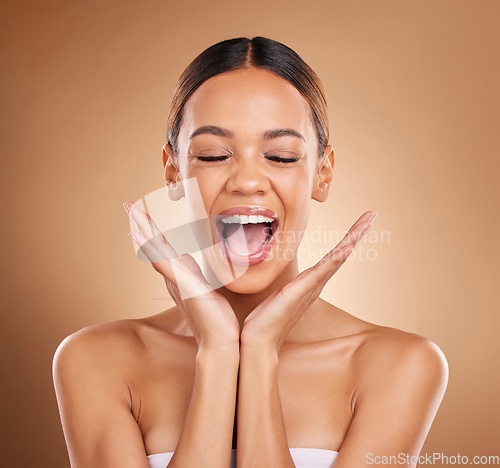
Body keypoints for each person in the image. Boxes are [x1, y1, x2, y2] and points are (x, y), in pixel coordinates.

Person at [52, 36, 448, 468]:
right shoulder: (96, 361)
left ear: (323, 174)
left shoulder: (398, 366)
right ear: (173, 172)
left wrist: (259, 355)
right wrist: (218, 354)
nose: (247, 181)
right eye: (213, 154)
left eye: (279, 156)